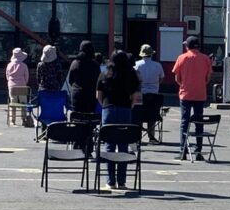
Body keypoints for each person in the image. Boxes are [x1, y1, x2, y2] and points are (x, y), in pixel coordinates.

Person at [96, 50, 141, 190]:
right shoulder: (131, 74)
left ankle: (110, 181)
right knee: (123, 145)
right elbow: (135, 97)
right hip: (125, 109)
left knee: (109, 144)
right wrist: (130, 106)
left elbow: (98, 95)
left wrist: (104, 105)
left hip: (108, 108)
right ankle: (122, 181)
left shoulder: (104, 74)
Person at [172, 35, 213, 161]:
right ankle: (198, 151)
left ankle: (182, 151)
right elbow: (208, 77)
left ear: (187, 46)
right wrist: (200, 84)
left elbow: (177, 78)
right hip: (200, 94)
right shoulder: (205, 59)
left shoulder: (182, 58)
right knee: (199, 122)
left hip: (185, 94)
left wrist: (184, 85)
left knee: (184, 122)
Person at [134, 44, 165, 142]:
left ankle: (137, 136)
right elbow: (161, 78)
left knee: (138, 115)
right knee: (152, 114)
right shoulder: (157, 65)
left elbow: (134, 80)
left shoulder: (136, 65)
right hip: (154, 95)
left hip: (141, 94)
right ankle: (151, 136)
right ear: (151, 54)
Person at [67, 41, 102, 113]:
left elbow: (70, 80)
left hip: (76, 96)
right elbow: (99, 82)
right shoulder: (95, 65)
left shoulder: (75, 63)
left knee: (77, 118)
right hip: (91, 97)